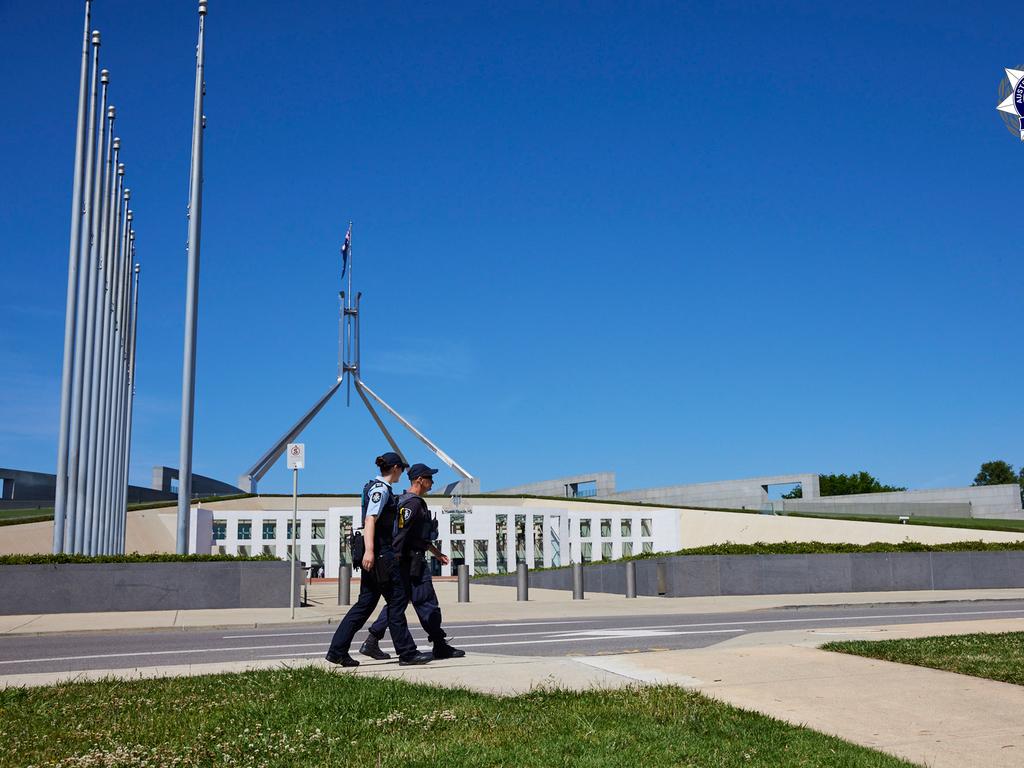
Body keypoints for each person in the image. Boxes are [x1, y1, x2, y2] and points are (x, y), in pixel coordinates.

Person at [325, 452, 431, 667]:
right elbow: (370, 519)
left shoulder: (377, 487)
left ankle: (337, 650)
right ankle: (407, 653)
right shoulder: (380, 490)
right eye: (401, 468)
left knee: (365, 604)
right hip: (381, 554)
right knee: (397, 600)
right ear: (395, 468)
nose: (402, 472)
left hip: (377, 554)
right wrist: (370, 551)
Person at [359, 463, 465, 661]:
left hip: (407, 559)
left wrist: (435, 552)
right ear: (419, 480)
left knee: (397, 603)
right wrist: (395, 559)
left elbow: (417, 536)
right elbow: (401, 533)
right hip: (410, 562)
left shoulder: (406, 500)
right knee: (427, 602)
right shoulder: (413, 503)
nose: (432, 482)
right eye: (430, 478)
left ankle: (372, 641)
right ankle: (439, 645)